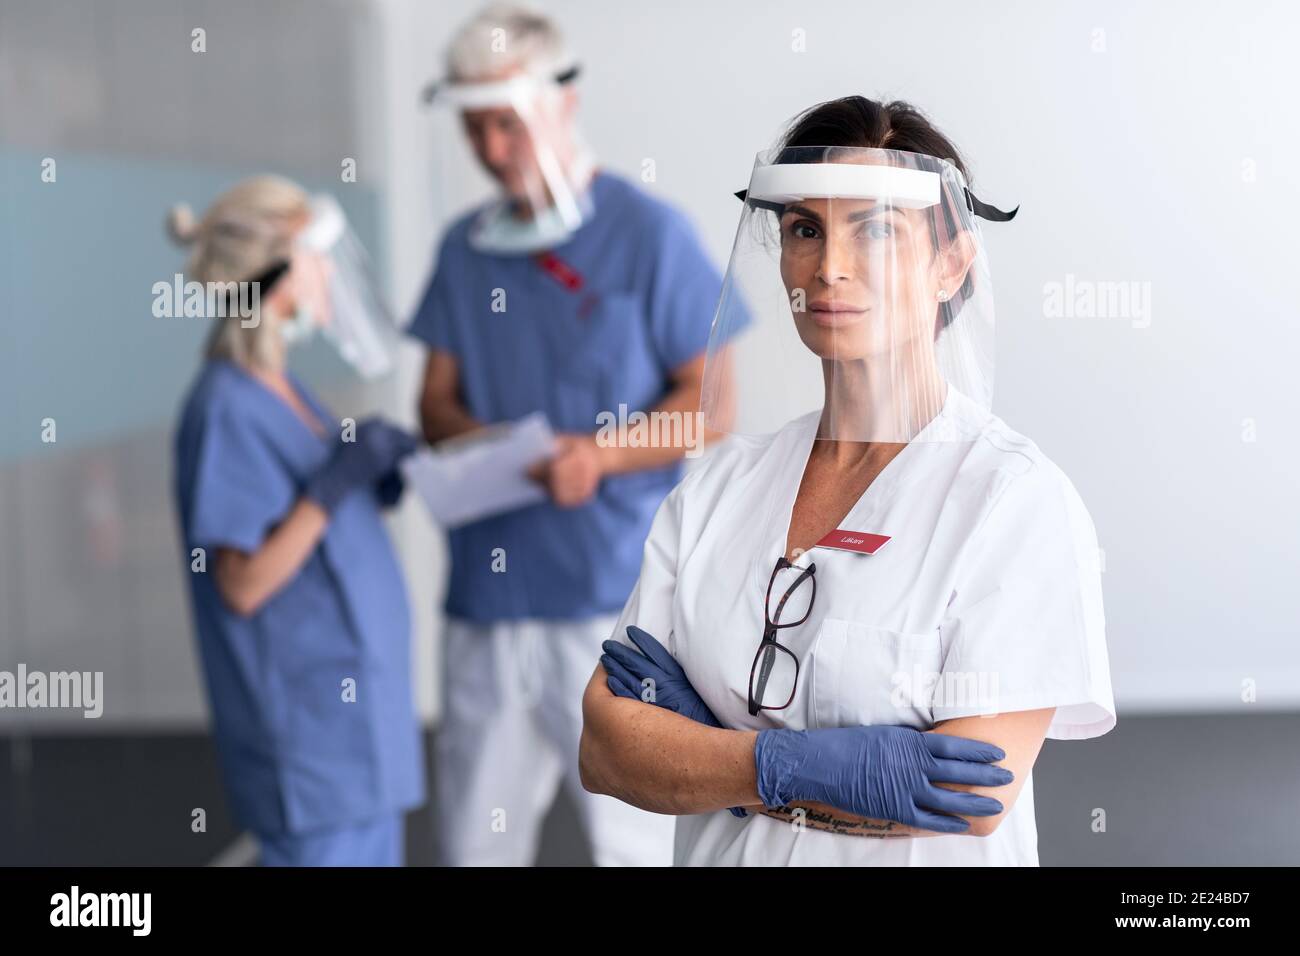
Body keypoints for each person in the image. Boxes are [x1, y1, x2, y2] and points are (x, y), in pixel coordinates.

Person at [580, 97, 1117, 866]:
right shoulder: (717, 487)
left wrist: (711, 757)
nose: (830, 266)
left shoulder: (1013, 501)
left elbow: (970, 798)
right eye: (805, 228)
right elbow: (606, 748)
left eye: (876, 229)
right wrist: (784, 766)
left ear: (951, 264)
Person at [411, 4, 730, 866]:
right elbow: (433, 404)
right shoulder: (462, 251)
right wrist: (504, 448)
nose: (489, 148)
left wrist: (602, 454)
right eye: (473, 127)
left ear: (563, 103)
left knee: (638, 843)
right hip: (490, 599)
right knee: (476, 838)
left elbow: (708, 403)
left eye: (505, 123)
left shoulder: (646, 236)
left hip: (611, 600)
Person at [171, 175, 425, 866]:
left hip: (358, 741)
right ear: (279, 269)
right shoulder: (228, 405)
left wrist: (361, 480)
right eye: (317, 256)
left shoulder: (284, 388)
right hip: (313, 751)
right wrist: (333, 485)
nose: (326, 275)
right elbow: (242, 582)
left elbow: (316, 531)